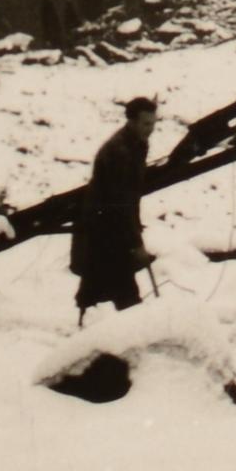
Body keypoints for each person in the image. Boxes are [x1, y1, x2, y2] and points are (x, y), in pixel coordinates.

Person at [71, 96, 161, 319]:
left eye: (153, 123)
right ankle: (132, 332)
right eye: (146, 124)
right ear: (131, 121)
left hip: (111, 227)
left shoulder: (136, 144)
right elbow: (121, 202)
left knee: (103, 283)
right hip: (104, 228)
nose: (151, 129)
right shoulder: (120, 151)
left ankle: (88, 324)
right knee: (123, 288)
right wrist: (135, 243)